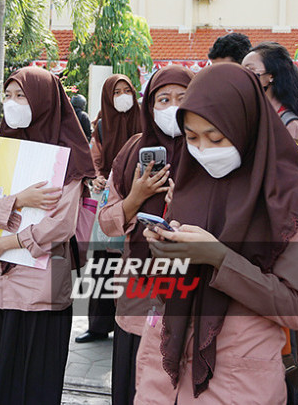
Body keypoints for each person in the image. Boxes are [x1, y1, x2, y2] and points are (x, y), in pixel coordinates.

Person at [133, 63, 298, 404]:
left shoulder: (296, 200)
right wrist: (167, 251)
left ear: (245, 126)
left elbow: (296, 308)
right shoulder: (191, 181)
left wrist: (218, 257)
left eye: (216, 137)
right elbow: (170, 287)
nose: (204, 150)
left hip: (238, 381)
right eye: (191, 138)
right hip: (165, 375)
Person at [0, 66, 95, 405]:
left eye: (21, 95)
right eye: (8, 95)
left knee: (37, 385)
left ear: (42, 100)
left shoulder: (68, 154)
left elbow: (61, 225)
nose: (12, 103)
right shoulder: (0, 149)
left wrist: (8, 242)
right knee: (4, 381)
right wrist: (17, 200)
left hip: (41, 291)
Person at [99, 64, 193, 404]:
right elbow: (106, 221)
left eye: (182, 98)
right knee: (132, 383)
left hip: (190, 291)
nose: (172, 108)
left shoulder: (210, 150)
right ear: (149, 108)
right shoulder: (131, 152)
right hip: (138, 290)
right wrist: (135, 198)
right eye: (163, 99)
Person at [242, 41, 298, 403]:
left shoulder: (289, 128)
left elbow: (287, 198)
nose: (245, 78)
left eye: (251, 71)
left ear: (270, 77)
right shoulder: (266, 119)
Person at [78, 74, 142, 344]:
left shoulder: (144, 120)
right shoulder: (101, 126)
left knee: (133, 261)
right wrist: (97, 177)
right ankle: (99, 325)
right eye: (117, 91)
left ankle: (129, 323)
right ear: (107, 96)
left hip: (141, 198)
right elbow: (94, 158)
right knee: (103, 262)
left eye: (127, 90)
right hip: (110, 199)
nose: (123, 95)